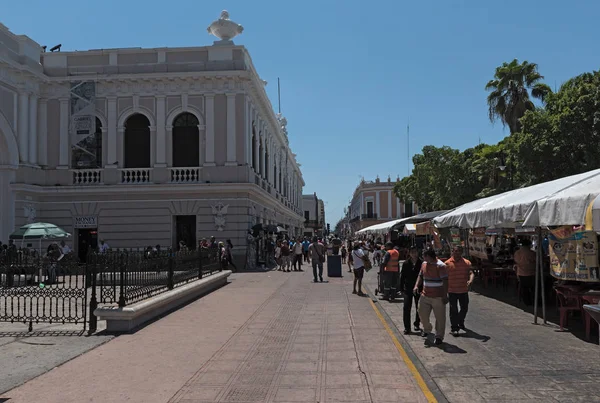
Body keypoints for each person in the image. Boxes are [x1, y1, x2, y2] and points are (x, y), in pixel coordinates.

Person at [414, 249, 448, 346]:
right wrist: (416, 285)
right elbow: (420, 275)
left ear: (429, 256)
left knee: (440, 318)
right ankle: (427, 328)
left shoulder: (440, 266)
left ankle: (439, 336)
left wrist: (445, 295)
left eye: (424, 256)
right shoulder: (424, 264)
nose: (423, 258)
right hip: (425, 295)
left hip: (438, 296)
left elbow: (445, 281)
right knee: (421, 312)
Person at [445, 246, 474, 336]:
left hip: (463, 290)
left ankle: (460, 321)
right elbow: (444, 278)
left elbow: (471, 273)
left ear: (462, 252)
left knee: (464, 308)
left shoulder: (466, 262)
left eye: (459, 251)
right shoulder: (447, 263)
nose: (457, 253)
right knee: (453, 309)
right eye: (455, 251)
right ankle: (454, 328)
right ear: (452, 252)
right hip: (452, 290)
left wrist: (470, 280)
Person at [400, 247, 423, 334]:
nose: (414, 254)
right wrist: (401, 288)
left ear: (417, 252)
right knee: (406, 308)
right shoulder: (406, 263)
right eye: (412, 252)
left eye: (415, 252)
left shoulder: (421, 263)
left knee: (419, 308)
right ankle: (407, 327)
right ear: (409, 253)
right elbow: (402, 277)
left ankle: (417, 323)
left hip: (418, 288)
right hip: (408, 288)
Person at [513, 239, 536, 306]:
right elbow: (537, 261)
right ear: (529, 245)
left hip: (521, 273)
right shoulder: (532, 253)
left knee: (524, 288)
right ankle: (533, 300)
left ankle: (526, 301)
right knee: (533, 288)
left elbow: (516, 261)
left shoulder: (517, 253)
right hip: (531, 273)